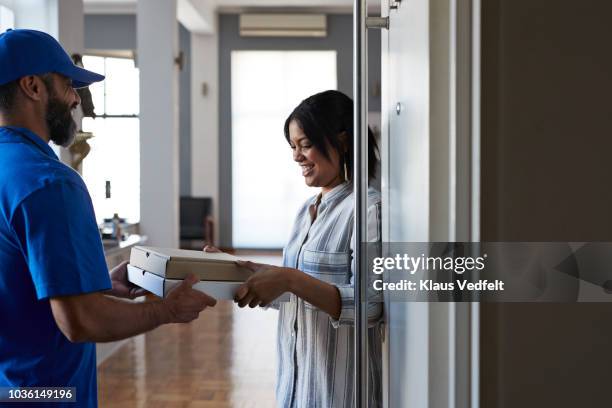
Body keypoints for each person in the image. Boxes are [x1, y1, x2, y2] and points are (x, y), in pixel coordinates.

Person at [0, 29, 216, 408]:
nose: (75, 100)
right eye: (68, 85)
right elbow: (80, 321)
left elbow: (19, 282)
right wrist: (163, 310)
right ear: (33, 86)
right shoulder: (49, 182)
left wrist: (93, 284)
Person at [206, 90, 383, 407]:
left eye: (305, 145)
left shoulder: (368, 209)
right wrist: (240, 272)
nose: (296, 156)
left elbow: (370, 306)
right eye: (292, 147)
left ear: (342, 142)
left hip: (339, 395)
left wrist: (288, 279)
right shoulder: (307, 210)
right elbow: (297, 291)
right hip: (294, 388)